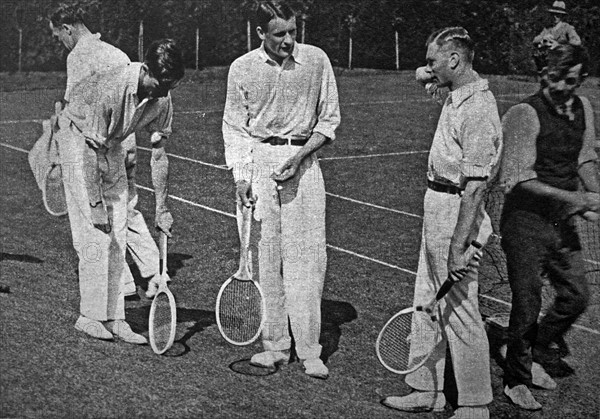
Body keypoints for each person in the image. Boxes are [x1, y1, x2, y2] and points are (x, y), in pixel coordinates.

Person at [382, 27, 502, 419]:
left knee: (461, 306)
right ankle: (425, 389)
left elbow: (477, 188)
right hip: (437, 205)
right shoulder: (456, 94)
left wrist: (458, 244)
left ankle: (474, 403)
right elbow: (423, 76)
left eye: (434, 60)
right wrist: (430, 69)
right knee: (426, 299)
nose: (427, 67)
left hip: (456, 211)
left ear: (454, 60)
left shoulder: (479, 109)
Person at [222, 0, 340, 379]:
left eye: (293, 31)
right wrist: (241, 177)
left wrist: (301, 154)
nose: (289, 40)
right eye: (279, 34)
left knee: (307, 260)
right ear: (260, 34)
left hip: (303, 165)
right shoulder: (241, 68)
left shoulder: (317, 60)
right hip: (259, 165)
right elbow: (235, 128)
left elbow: (329, 119)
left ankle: (309, 350)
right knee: (266, 259)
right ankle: (274, 346)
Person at [55, 38, 184, 343]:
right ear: (146, 69)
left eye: (171, 86)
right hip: (77, 141)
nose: (164, 92)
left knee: (120, 230)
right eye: (161, 83)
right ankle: (89, 317)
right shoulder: (112, 87)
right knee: (95, 232)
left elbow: (158, 154)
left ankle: (116, 318)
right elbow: (89, 151)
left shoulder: (162, 97)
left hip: (110, 143)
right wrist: (96, 204)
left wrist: (163, 208)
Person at [498, 44, 598, 411]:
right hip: (525, 222)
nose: (559, 86)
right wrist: (576, 200)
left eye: (569, 80)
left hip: (561, 221)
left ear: (581, 78)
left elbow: (585, 158)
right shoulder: (524, 113)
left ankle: (535, 351)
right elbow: (519, 179)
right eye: (552, 78)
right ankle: (516, 378)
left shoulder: (584, 108)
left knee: (576, 296)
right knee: (527, 302)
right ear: (542, 75)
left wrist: (596, 196)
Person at [49, 3, 172, 299]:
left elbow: (77, 111)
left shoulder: (78, 56)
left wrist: (56, 130)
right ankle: (153, 272)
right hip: (123, 141)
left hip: (96, 142)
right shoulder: (116, 52)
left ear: (67, 29)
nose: (60, 43)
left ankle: (119, 287)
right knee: (125, 209)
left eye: (58, 37)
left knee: (95, 220)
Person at [532, 1, 581, 79]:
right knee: (538, 52)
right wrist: (543, 38)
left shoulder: (567, 28)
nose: (555, 17)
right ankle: (544, 74)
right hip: (548, 58)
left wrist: (559, 44)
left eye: (558, 15)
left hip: (562, 57)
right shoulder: (548, 29)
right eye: (553, 14)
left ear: (562, 16)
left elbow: (578, 42)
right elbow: (535, 40)